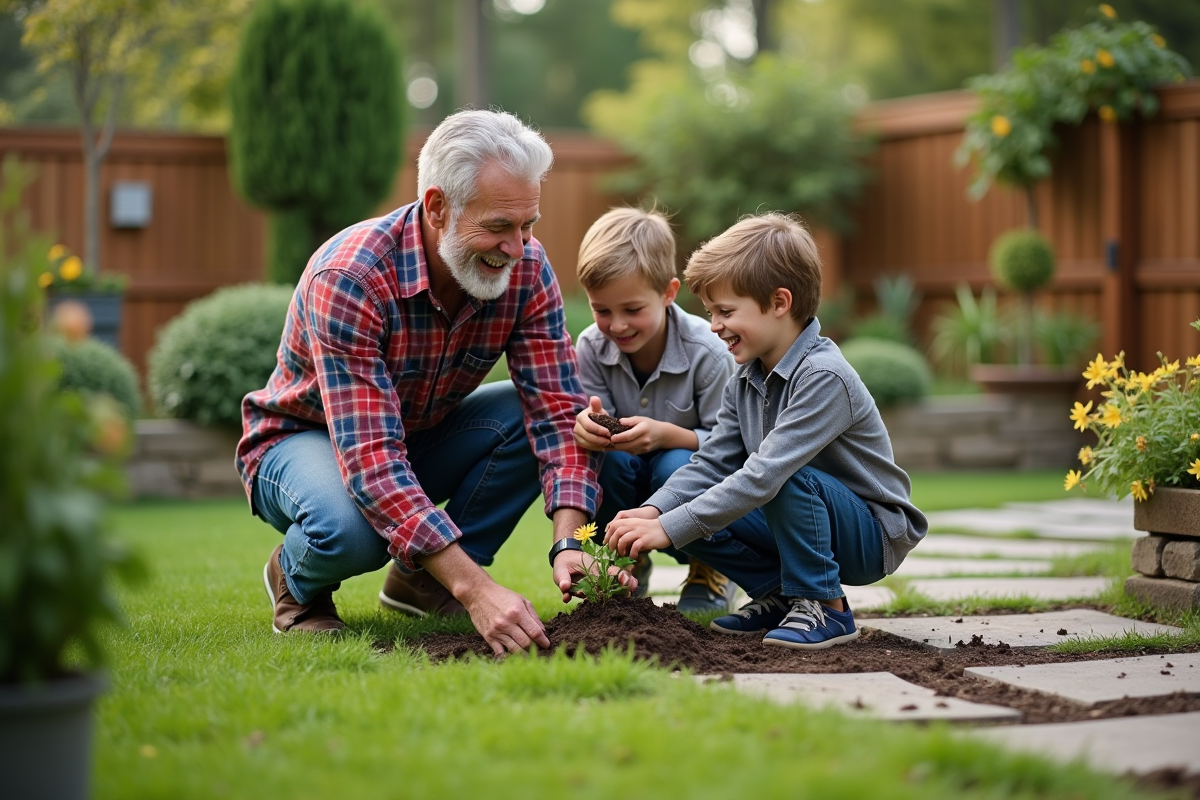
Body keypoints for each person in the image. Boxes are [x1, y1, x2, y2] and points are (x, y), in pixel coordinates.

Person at [236, 109, 633, 657]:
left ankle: (419, 584)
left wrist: (571, 541)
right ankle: (297, 582)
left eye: (528, 225)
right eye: (497, 226)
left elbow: (557, 411)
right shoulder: (351, 278)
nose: (517, 247)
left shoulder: (526, 267)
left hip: (414, 434)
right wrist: (477, 590)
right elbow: (372, 461)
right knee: (353, 530)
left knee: (529, 414)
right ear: (438, 207)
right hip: (303, 439)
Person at [603, 213, 927, 650]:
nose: (715, 325)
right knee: (701, 503)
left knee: (780, 476)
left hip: (869, 534)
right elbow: (714, 461)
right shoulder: (745, 377)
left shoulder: (823, 376)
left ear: (779, 303)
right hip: (800, 511)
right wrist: (657, 511)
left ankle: (825, 605)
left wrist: (672, 528)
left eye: (726, 311)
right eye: (710, 312)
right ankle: (780, 594)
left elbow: (766, 474)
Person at [571, 207, 766, 613]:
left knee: (674, 462)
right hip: (626, 478)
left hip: (693, 484)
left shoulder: (708, 351)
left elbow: (738, 447)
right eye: (602, 310)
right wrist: (586, 427)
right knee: (604, 463)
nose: (617, 325)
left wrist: (666, 435)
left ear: (668, 293)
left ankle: (708, 567)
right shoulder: (591, 346)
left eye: (632, 309)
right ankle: (628, 561)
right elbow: (588, 419)